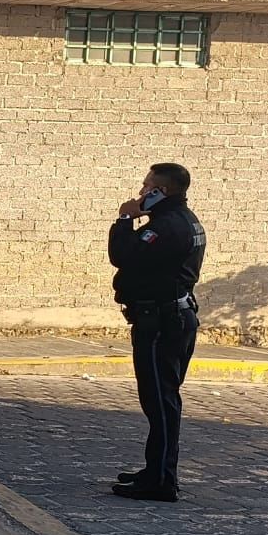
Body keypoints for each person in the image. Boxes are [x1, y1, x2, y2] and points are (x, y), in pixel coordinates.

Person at [109, 163, 206, 503]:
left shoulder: (166, 226)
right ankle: (157, 470)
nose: (139, 192)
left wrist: (124, 219)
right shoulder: (181, 219)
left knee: (161, 402)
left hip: (162, 323)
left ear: (159, 192)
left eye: (146, 186)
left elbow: (123, 255)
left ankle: (162, 479)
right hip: (172, 318)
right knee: (162, 400)